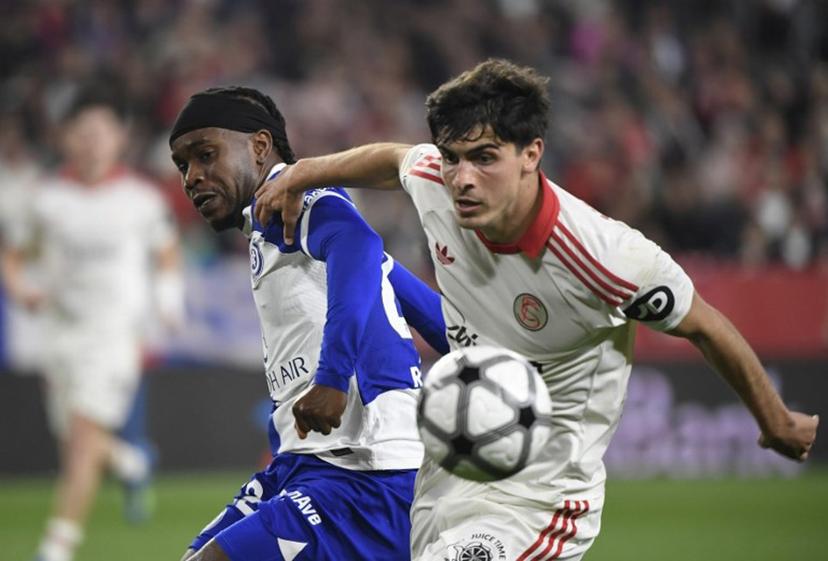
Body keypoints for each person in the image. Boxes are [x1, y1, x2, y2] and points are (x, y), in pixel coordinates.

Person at [253, 58, 820, 561]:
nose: (463, 178)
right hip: (449, 472)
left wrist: (775, 420)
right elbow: (396, 160)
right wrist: (304, 172)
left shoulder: (605, 258)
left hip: (541, 488)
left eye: (484, 158)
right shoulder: (438, 182)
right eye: (453, 158)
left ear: (532, 155)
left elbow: (705, 326)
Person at [168, 86, 446, 561]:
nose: (193, 177)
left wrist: (333, 378)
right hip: (309, 463)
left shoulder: (289, 200)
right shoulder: (267, 230)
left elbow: (358, 244)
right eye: (183, 166)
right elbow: (388, 274)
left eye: (206, 154)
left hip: (365, 472)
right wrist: (476, 349)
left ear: (259, 146)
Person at [1, 84, 184, 561]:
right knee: (79, 440)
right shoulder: (46, 199)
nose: (92, 141)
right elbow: (14, 256)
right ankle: (130, 460)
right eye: (82, 133)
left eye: (102, 132)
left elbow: (166, 255)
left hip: (116, 336)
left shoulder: (141, 200)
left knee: (82, 440)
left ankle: (56, 547)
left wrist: (168, 302)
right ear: (66, 138)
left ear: (119, 137)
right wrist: (20, 287)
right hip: (59, 335)